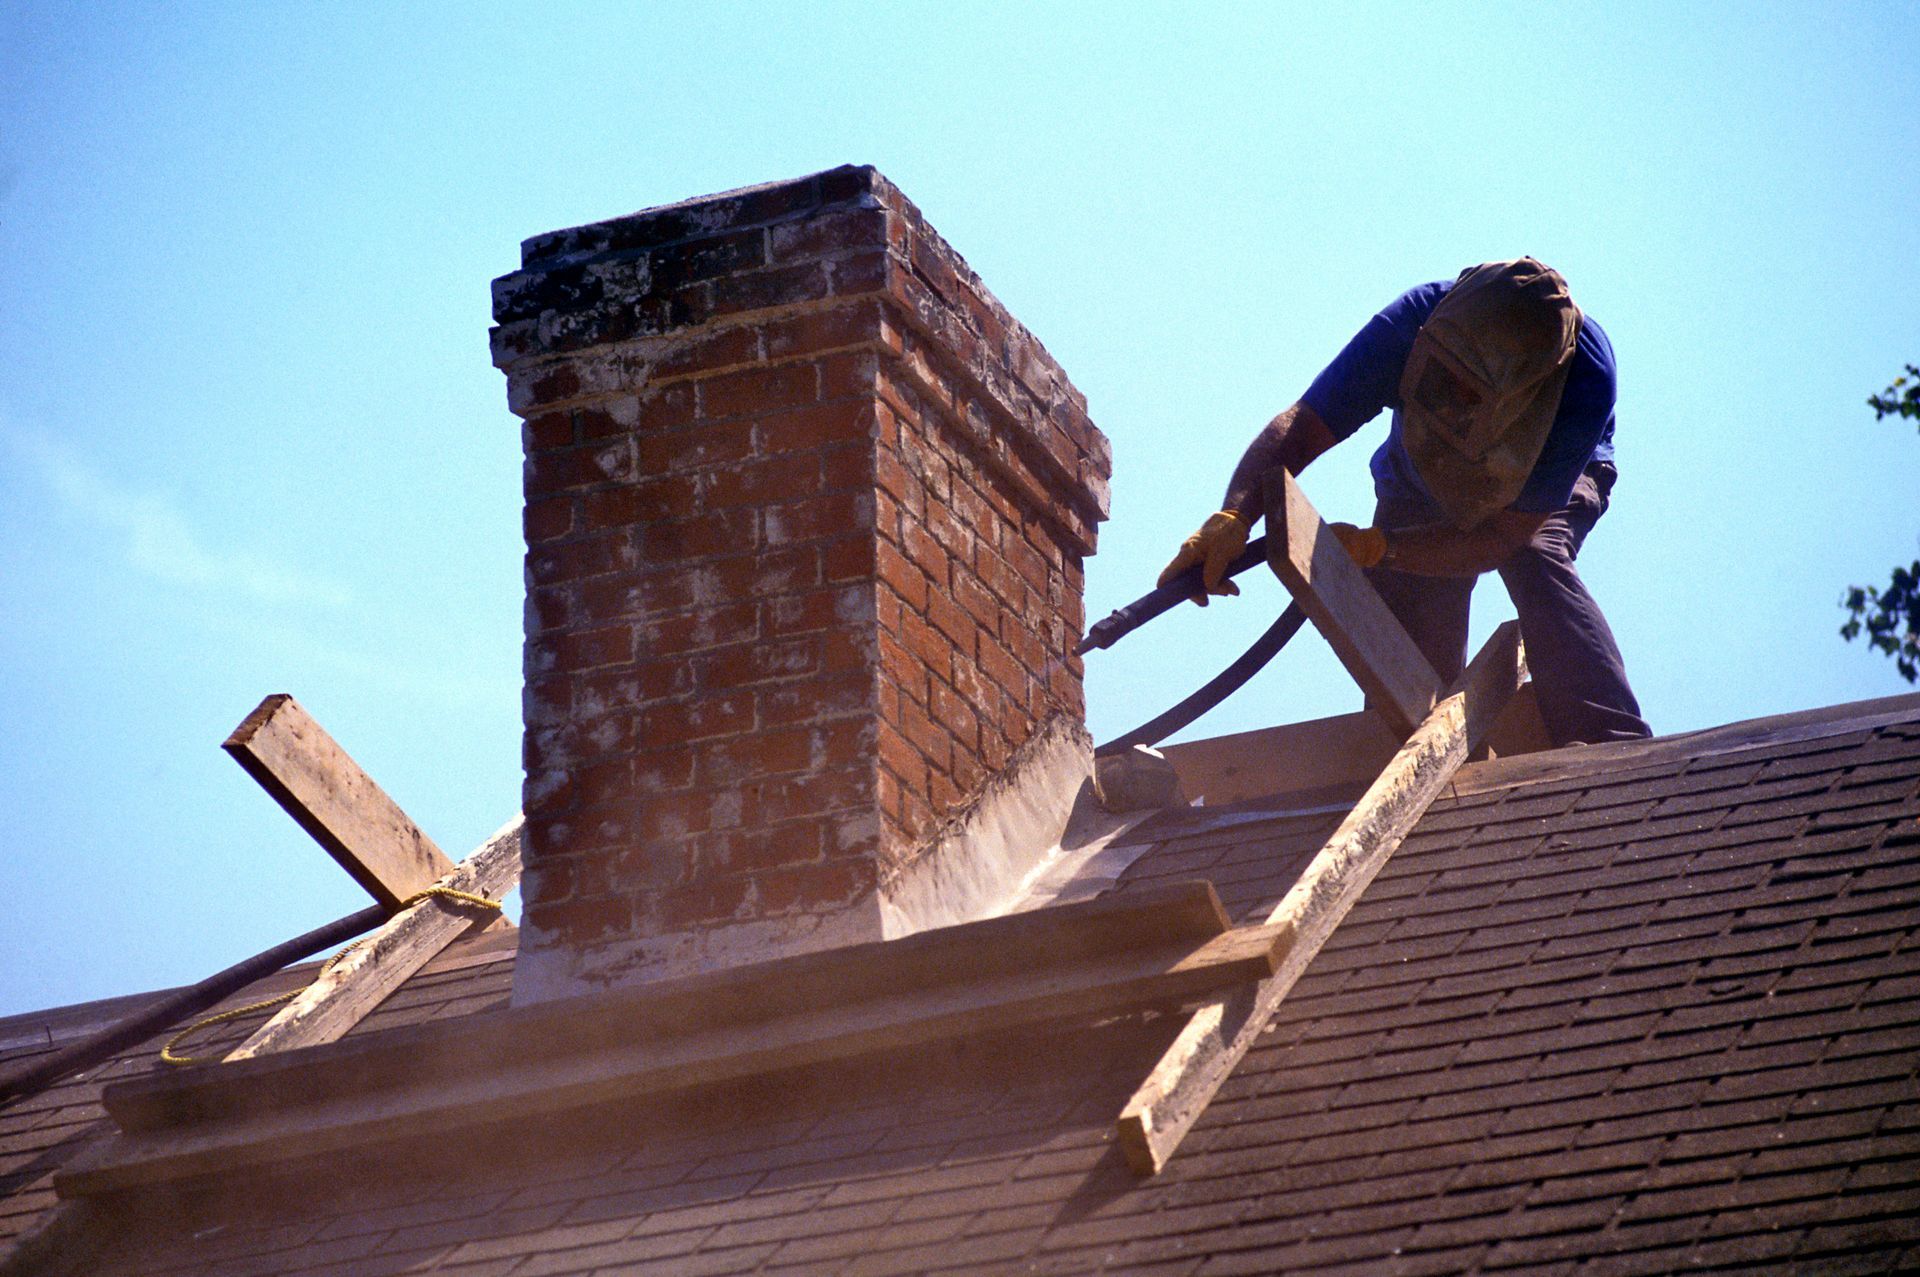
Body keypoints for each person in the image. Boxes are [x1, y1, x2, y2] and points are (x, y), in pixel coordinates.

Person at [1160, 258, 1652, 746]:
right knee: (1409, 655)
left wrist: (1385, 548)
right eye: (1447, 378)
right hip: (1421, 480)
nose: (1455, 398)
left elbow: (1506, 535)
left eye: (1471, 391)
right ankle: (1412, 756)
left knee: (1534, 556)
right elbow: (1303, 426)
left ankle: (1611, 743)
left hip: (1538, 492)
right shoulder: (1412, 320)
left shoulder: (1585, 378)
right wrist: (1234, 516)